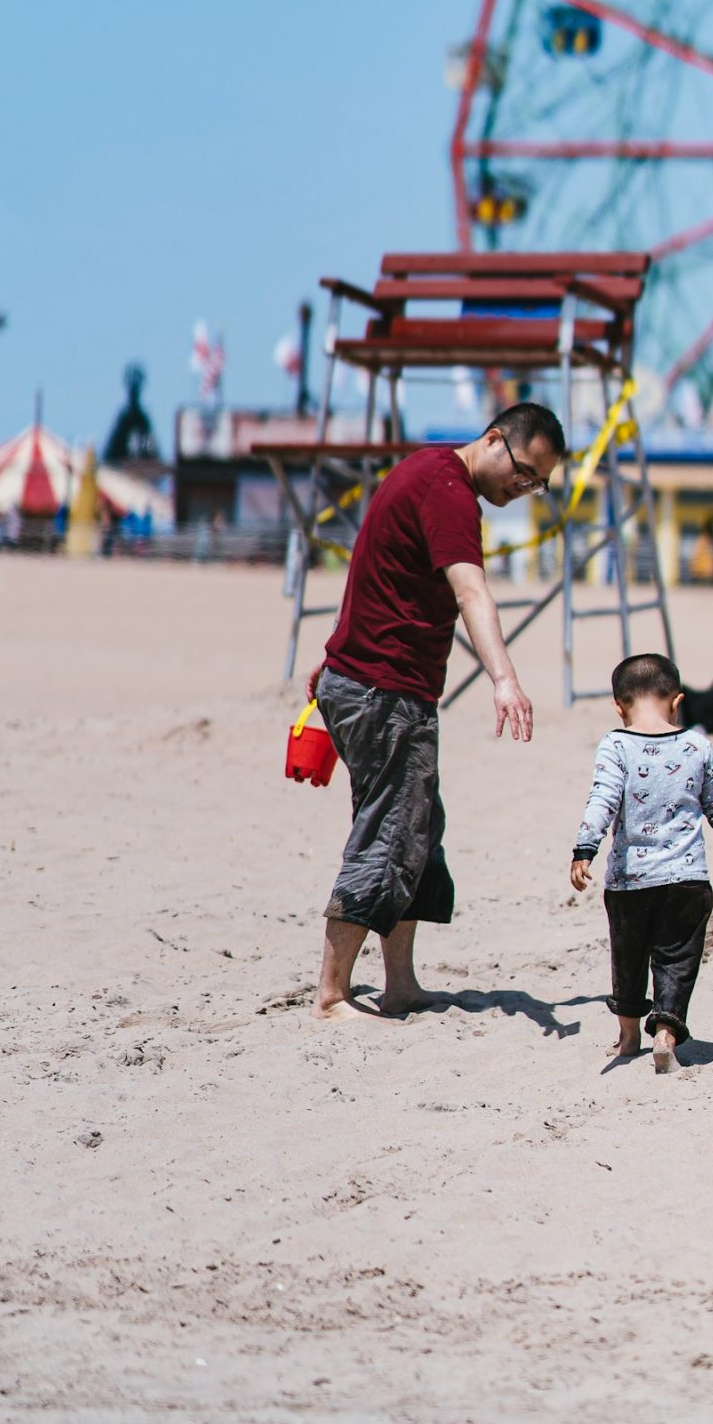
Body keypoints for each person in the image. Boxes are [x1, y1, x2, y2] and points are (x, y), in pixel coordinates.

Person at [307, 400, 566, 1019]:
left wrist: (333, 655)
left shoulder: (425, 471)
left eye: (539, 484)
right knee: (389, 834)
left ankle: (400, 984)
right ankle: (332, 994)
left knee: (417, 834)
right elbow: (471, 589)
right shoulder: (448, 491)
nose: (525, 488)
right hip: (383, 689)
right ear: (495, 439)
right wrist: (504, 679)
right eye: (524, 471)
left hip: (369, 682)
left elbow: (374, 571)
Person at [569, 652, 713, 1074]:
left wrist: (584, 849)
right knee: (676, 959)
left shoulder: (615, 745)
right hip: (687, 881)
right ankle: (666, 1032)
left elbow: (603, 800)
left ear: (618, 705)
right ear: (678, 701)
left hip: (629, 882)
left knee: (628, 956)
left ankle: (629, 1035)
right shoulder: (697, 745)